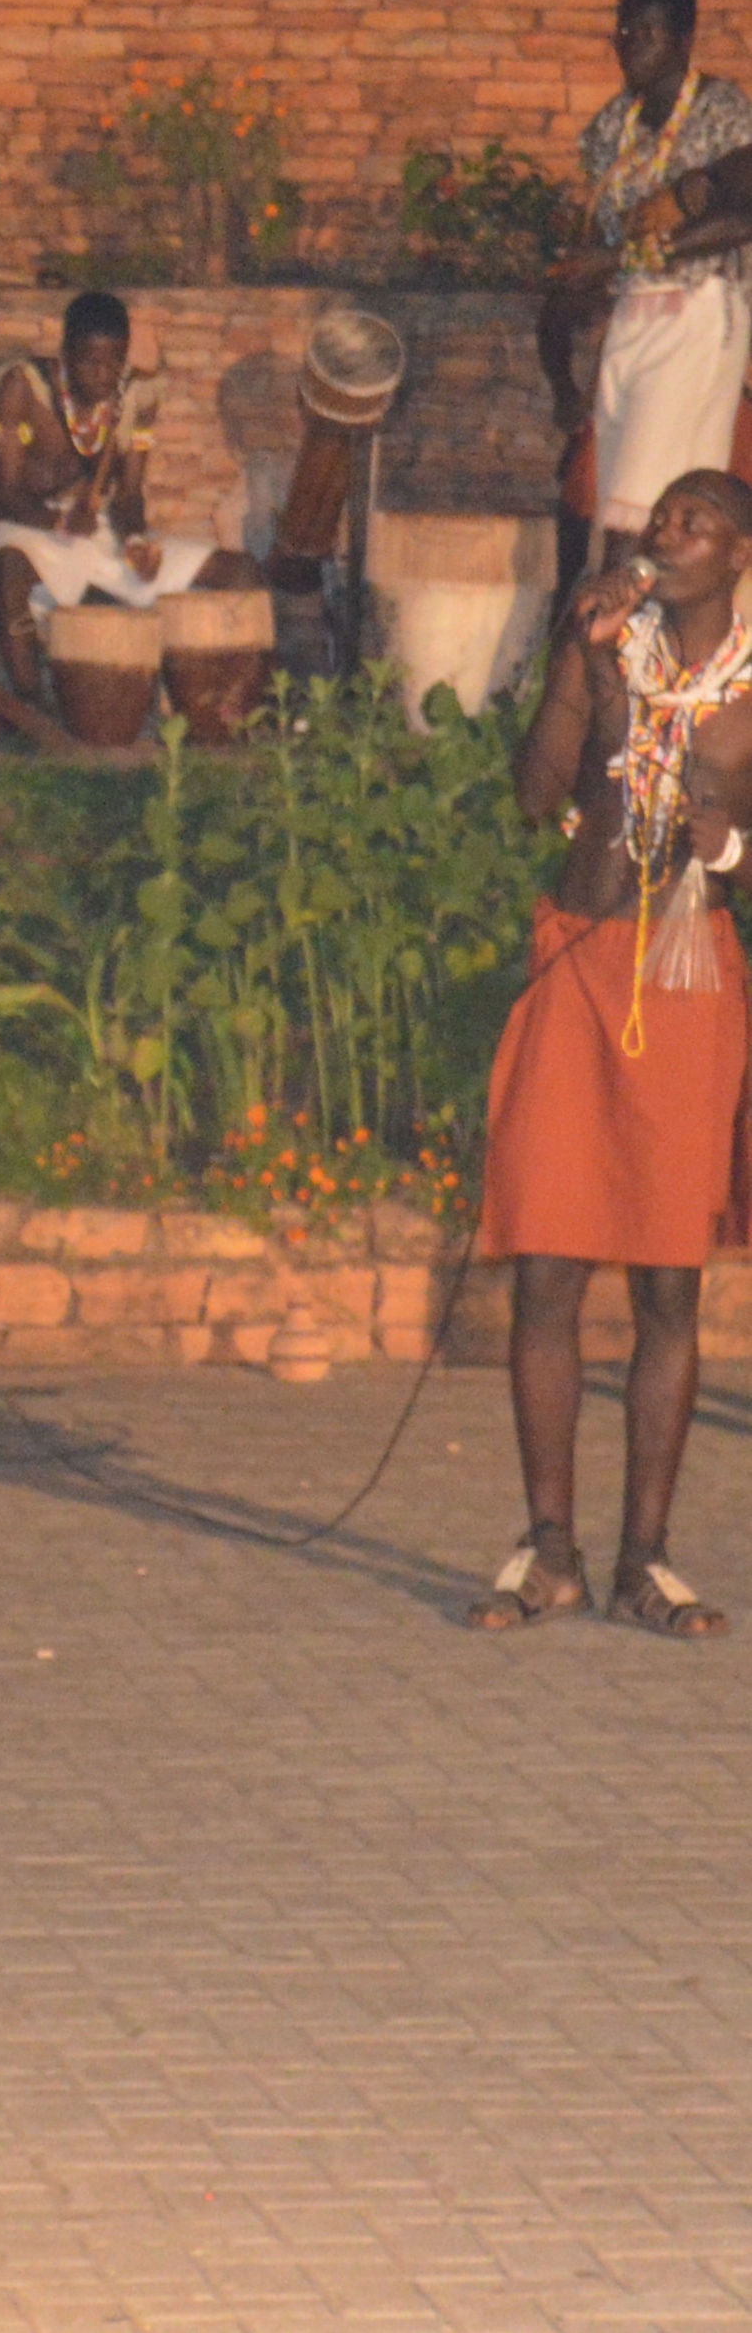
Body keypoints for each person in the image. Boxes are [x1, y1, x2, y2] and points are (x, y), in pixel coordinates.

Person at [469, 466, 752, 1639]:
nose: (664, 533)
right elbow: (534, 796)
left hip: (685, 984)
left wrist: (726, 847)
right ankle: (548, 1556)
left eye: (693, 522)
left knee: (665, 1284)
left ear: (736, 556)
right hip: (578, 961)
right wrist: (567, 658)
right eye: (659, 518)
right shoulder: (605, 650)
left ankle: (645, 1560)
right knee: (544, 1269)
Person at [538, 0, 752, 577]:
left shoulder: (720, 110)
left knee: (639, 522)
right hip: (633, 314)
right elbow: (602, 235)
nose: (630, 44)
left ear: (683, 40)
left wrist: (620, 259)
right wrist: (581, 271)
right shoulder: (614, 124)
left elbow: (743, 218)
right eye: (624, 31)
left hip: (698, 311)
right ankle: (631, 628)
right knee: (616, 506)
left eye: (647, 32)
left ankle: (615, 630)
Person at [0, 289, 261, 702]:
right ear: (65, 354)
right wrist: (59, 521)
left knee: (240, 571)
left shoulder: (138, 395)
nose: (103, 375)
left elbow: (128, 496)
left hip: (101, 534)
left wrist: (136, 541)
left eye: (114, 361)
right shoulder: (23, 387)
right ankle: (29, 713)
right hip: (31, 531)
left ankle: (242, 710)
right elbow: (4, 496)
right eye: (89, 362)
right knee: (9, 570)